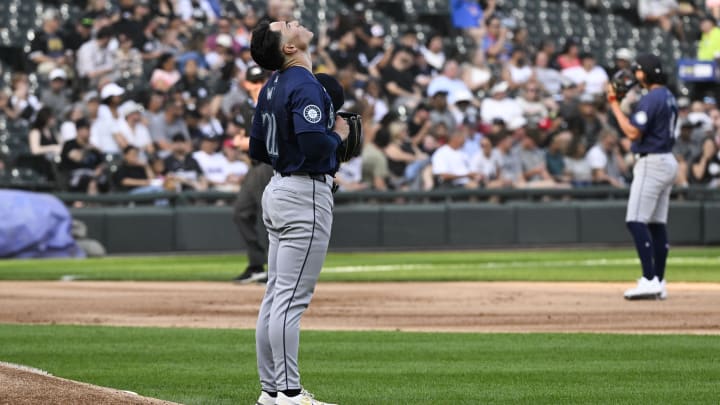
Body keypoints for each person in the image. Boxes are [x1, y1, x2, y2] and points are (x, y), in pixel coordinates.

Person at [248, 20, 349, 405]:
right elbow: (313, 144)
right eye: (286, 25)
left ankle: (270, 391)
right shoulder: (304, 83)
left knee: (276, 297)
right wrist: (336, 136)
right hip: (303, 191)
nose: (293, 21)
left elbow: (258, 150)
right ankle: (290, 394)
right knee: (290, 301)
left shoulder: (271, 86)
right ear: (288, 48)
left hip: (279, 187)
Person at [607, 53, 679, 300]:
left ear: (645, 73)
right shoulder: (668, 96)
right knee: (656, 223)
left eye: (638, 71)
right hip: (667, 159)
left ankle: (649, 279)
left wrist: (614, 104)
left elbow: (632, 132)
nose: (635, 75)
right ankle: (659, 280)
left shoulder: (653, 98)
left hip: (652, 161)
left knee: (635, 221)